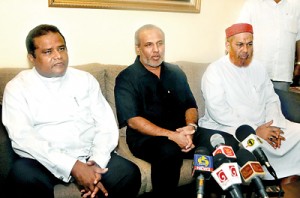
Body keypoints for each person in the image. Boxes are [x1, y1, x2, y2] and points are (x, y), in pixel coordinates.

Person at [2, 24, 141, 198]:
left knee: (128, 173)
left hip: (88, 154)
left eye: (61, 48)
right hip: (43, 160)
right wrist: (73, 167)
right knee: (21, 176)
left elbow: (106, 125)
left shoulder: (85, 80)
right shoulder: (17, 88)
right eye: (47, 52)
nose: (58, 56)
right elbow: (23, 137)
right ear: (31, 57)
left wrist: (95, 163)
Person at [198, 23, 300, 184]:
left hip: (264, 125)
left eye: (249, 44)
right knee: (252, 142)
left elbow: (271, 99)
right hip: (231, 127)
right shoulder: (215, 71)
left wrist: (274, 126)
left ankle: (289, 173)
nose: (245, 50)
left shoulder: (258, 67)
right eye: (240, 44)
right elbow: (219, 112)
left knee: (297, 132)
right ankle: (272, 176)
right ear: (227, 45)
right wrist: (255, 129)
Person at [114, 24, 202, 198]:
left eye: (160, 43)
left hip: (182, 133)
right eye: (149, 45)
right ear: (138, 49)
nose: (156, 50)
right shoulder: (126, 78)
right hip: (147, 139)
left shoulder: (176, 72)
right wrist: (173, 136)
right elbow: (133, 121)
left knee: (219, 141)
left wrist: (190, 127)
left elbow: (191, 106)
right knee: (169, 151)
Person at [237, 0, 300, 91]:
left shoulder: (296, 5)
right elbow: (240, 35)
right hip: (255, 73)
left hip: (283, 74)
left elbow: (299, 38)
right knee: (254, 104)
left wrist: (299, 62)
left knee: (280, 104)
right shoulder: (252, 4)